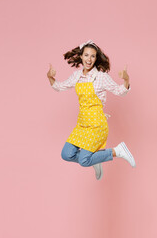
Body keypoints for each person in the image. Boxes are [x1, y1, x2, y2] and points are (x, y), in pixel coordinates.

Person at [47, 40, 135, 180]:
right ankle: (96, 159)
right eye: (86, 55)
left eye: (93, 56)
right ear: (81, 56)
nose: (89, 59)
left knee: (84, 160)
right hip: (82, 124)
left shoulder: (101, 77)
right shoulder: (77, 76)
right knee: (66, 154)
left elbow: (120, 91)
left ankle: (117, 151)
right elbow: (59, 87)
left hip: (96, 124)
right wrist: (50, 77)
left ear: (96, 58)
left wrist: (126, 79)